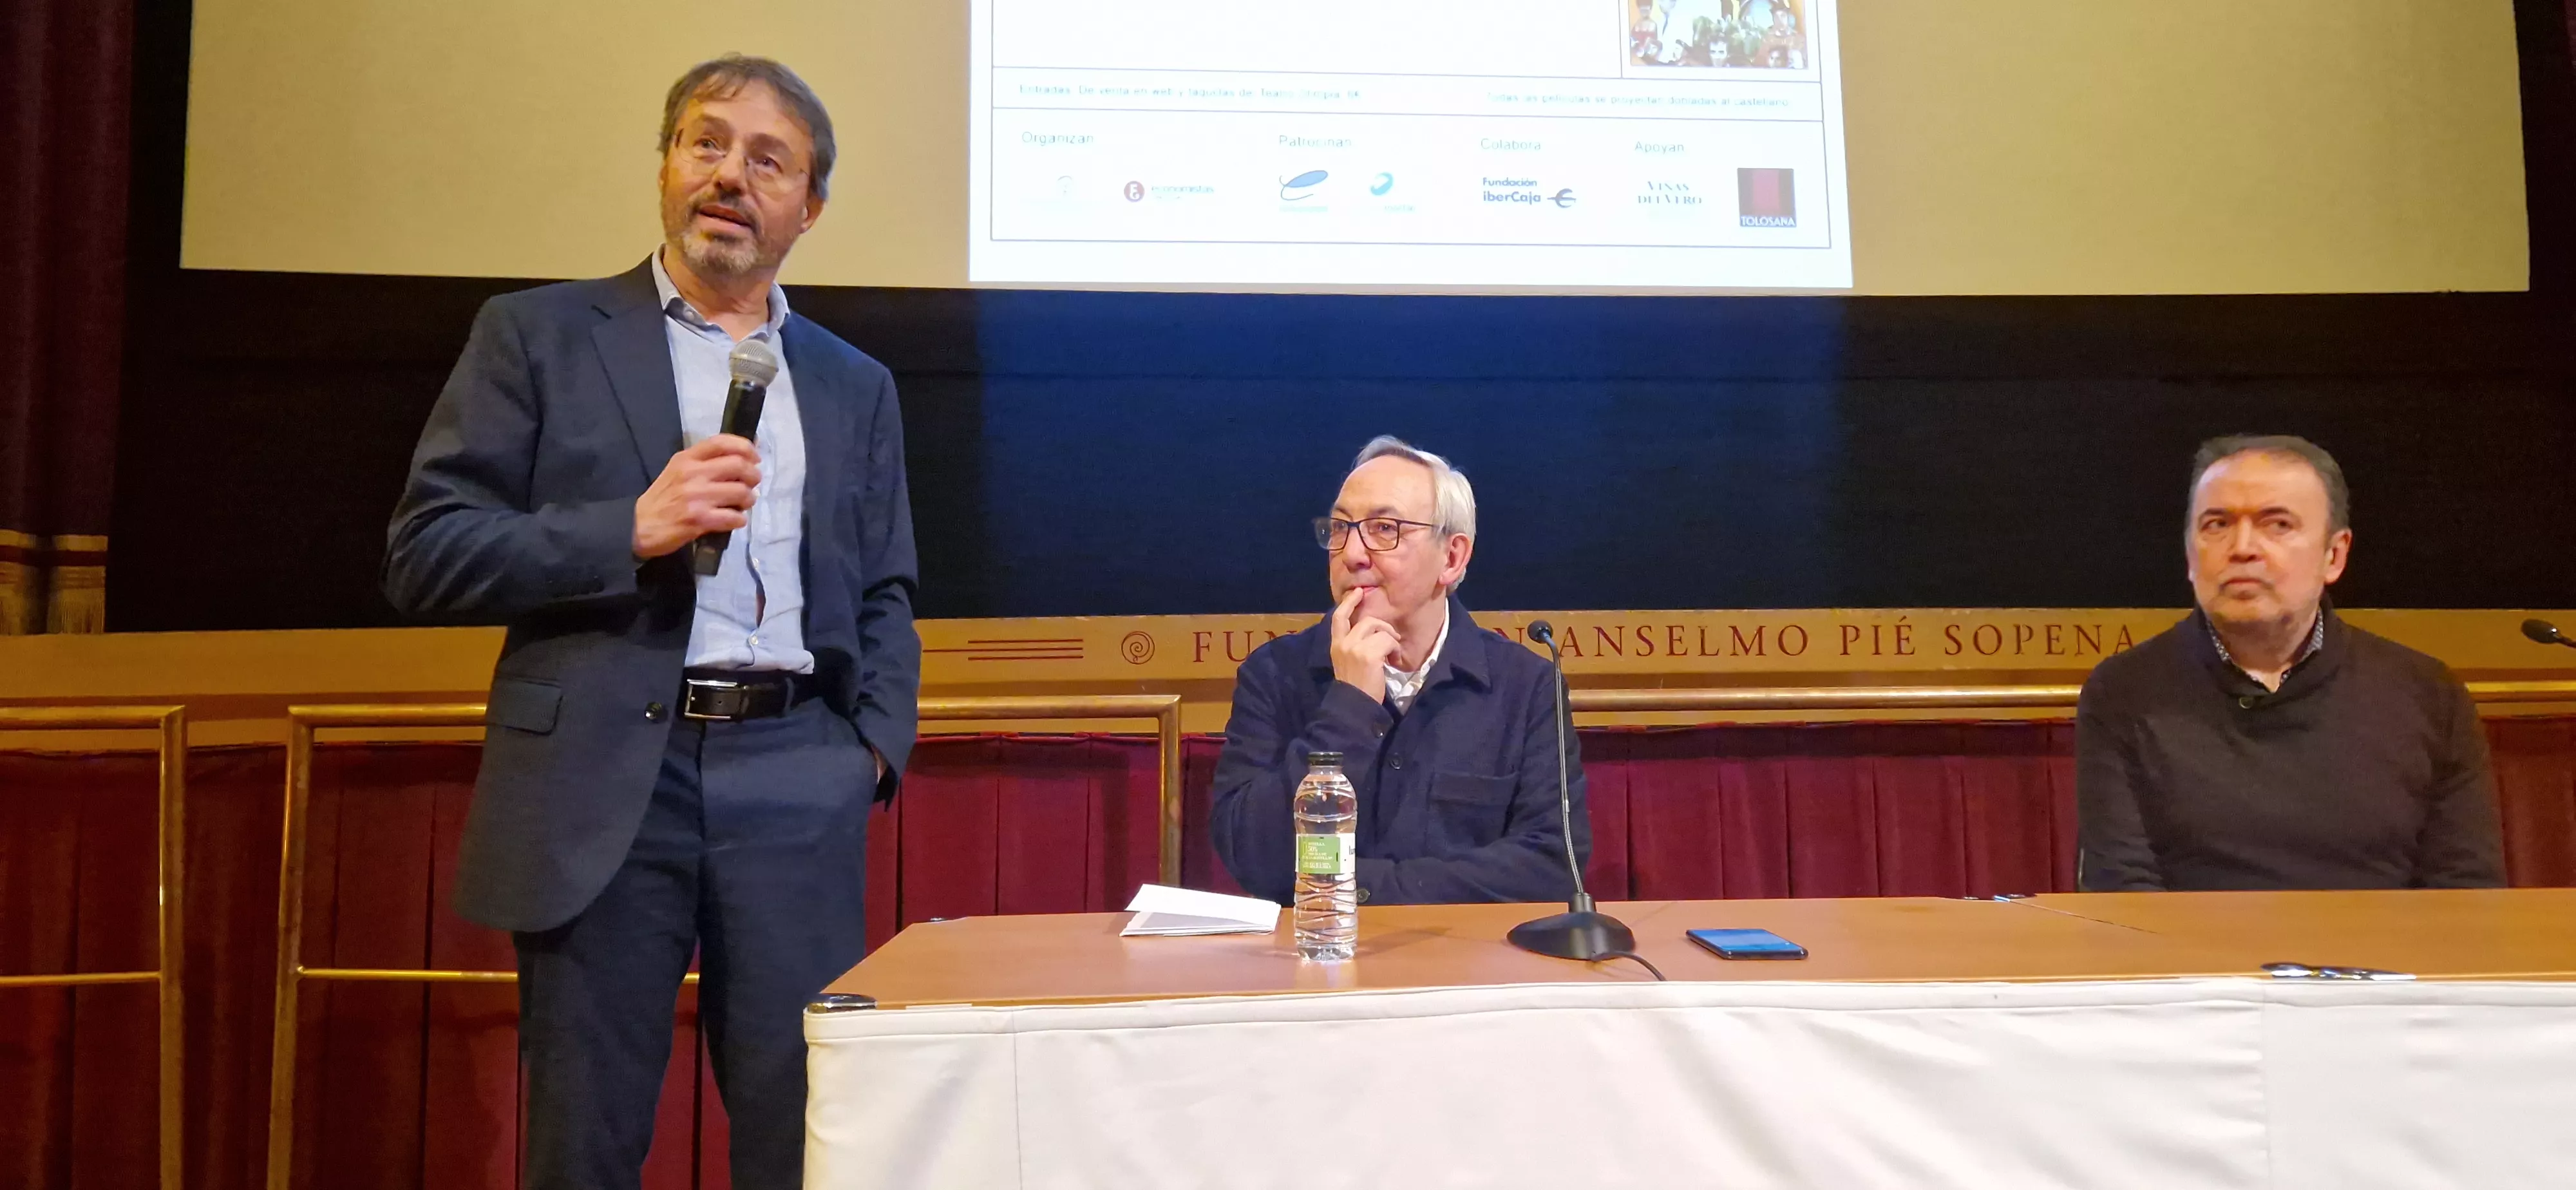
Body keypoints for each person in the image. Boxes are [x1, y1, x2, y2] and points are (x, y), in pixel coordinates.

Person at [381, 55, 919, 1189]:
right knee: (584, 1139)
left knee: (802, 1134)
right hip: (605, 779)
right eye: (706, 144)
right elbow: (425, 551)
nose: (731, 175)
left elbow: (885, 592)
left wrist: (864, 749)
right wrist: (626, 528)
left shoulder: (853, 382)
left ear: (807, 207)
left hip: (792, 774)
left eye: (767, 160)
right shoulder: (538, 335)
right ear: (668, 167)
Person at [2076, 435, 2502, 891]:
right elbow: (2121, 890)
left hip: (2384, 961)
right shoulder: (2125, 691)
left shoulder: (2427, 692)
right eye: (2216, 525)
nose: (2242, 548)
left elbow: (2467, 890)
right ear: (2189, 556)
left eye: (2276, 524)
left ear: (2333, 555)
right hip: (2196, 961)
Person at [1209, 437, 1588, 905]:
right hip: (1317, 956)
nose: (1352, 554)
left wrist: (1359, 886)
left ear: (1452, 558)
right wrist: (1349, 707)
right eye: (1341, 528)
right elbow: (1253, 857)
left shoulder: (1526, 686)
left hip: (1468, 963)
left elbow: (1551, 865)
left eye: (1384, 529)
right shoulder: (1275, 674)